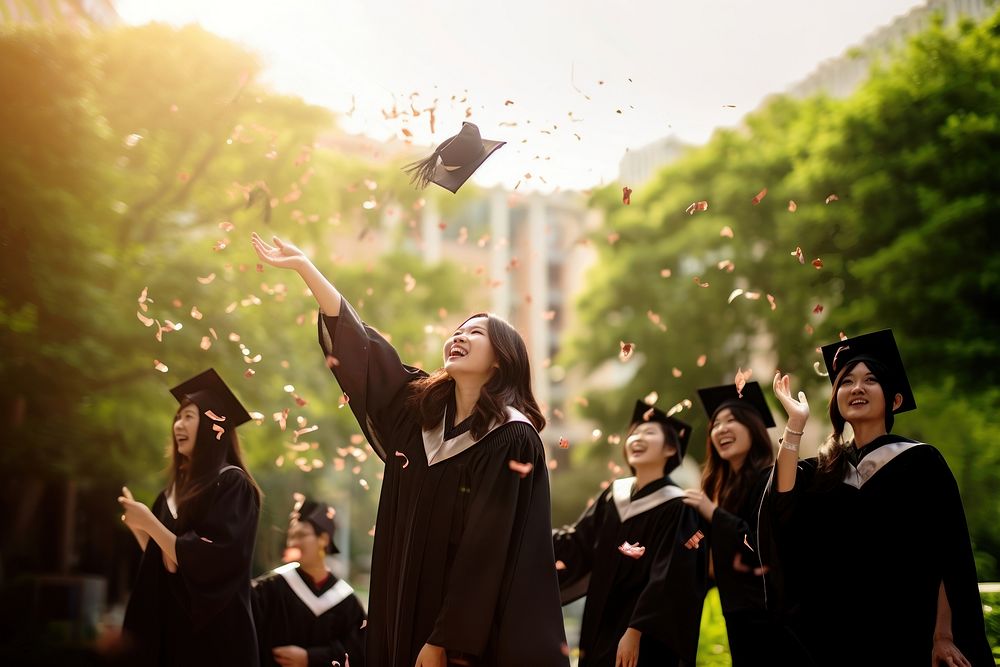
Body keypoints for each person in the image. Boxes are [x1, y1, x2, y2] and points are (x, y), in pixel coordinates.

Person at [251, 232, 569, 667]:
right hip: (399, 618)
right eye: (457, 330)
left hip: (462, 640)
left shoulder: (510, 439)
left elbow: (487, 550)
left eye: (475, 332)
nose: (459, 335)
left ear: (501, 359)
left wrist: (445, 640)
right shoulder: (417, 414)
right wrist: (308, 269)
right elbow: (364, 351)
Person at [766, 330, 993, 666]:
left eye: (870, 380)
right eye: (846, 382)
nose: (857, 388)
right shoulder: (825, 471)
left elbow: (949, 554)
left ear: (895, 400)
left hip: (909, 636)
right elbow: (781, 504)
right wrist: (796, 423)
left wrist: (943, 635)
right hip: (838, 639)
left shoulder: (921, 462)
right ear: (837, 400)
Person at [118, 368, 263, 666]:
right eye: (178, 417)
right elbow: (169, 563)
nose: (178, 425)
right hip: (175, 632)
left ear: (213, 424)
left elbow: (207, 562)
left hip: (217, 638)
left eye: (189, 417)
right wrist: (139, 528)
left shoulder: (233, 484)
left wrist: (148, 522)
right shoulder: (172, 493)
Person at [553, 400, 707, 667]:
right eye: (634, 433)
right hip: (599, 625)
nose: (637, 438)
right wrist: (533, 533)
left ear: (671, 448)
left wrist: (635, 630)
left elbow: (669, 576)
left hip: (644, 636)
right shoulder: (614, 495)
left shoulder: (677, 507)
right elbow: (578, 544)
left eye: (649, 433)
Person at [682, 381, 808, 665]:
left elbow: (762, 542)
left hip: (774, 615)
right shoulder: (719, 490)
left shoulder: (769, 480)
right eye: (715, 424)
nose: (721, 429)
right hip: (737, 614)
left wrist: (713, 513)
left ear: (753, 427)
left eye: (732, 420)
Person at [252, 497, 367, 667]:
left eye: (301, 535)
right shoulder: (269, 587)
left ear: (324, 539)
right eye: (290, 537)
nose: (293, 543)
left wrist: (310, 658)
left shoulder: (346, 601)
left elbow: (359, 651)